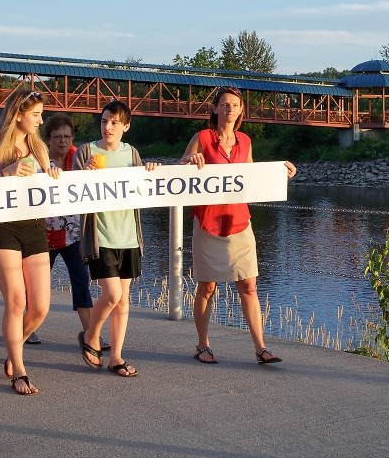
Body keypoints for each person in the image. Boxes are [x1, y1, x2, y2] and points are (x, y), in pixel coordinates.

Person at [179, 85, 296, 365]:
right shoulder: (202, 137)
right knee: (207, 287)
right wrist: (189, 160)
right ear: (215, 109)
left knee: (249, 286)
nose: (229, 109)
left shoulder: (245, 140)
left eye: (235, 105)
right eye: (224, 104)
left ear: (241, 110)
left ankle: (260, 348)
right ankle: (202, 345)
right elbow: (179, 170)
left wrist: (281, 175)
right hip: (208, 223)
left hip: (240, 223)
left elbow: (252, 178)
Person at [0, 89, 61, 395]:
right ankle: (20, 371)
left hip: (34, 226)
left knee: (40, 307)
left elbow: (47, 185)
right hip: (3, 227)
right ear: (19, 114)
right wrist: (5, 172)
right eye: (36, 114)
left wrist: (52, 173)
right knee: (16, 301)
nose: (40, 120)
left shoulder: (38, 146)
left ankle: (14, 348)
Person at [73, 100, 159, 377]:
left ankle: (117, 357)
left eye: (113, 122)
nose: (107, 127)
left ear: (126, 126)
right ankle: (91, 335)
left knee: (123, 300)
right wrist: (81, 175)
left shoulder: (131, 153)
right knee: (112, 294)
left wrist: (152, 171)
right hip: (101, 235)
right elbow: (68, 192)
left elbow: (143, 188)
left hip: (128, 236)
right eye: (104, 121)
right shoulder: (86, 151)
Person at [39, 113, 109, 350]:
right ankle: (26, 329)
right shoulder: (38, 160)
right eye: (57, 136)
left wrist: (90, 173)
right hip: (42, 234)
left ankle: (91, 335)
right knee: (36, 285)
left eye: (67, 136)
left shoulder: (80, 158)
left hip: (72, 234)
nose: (62, 141)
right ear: (48, 139)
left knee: (81, 281)